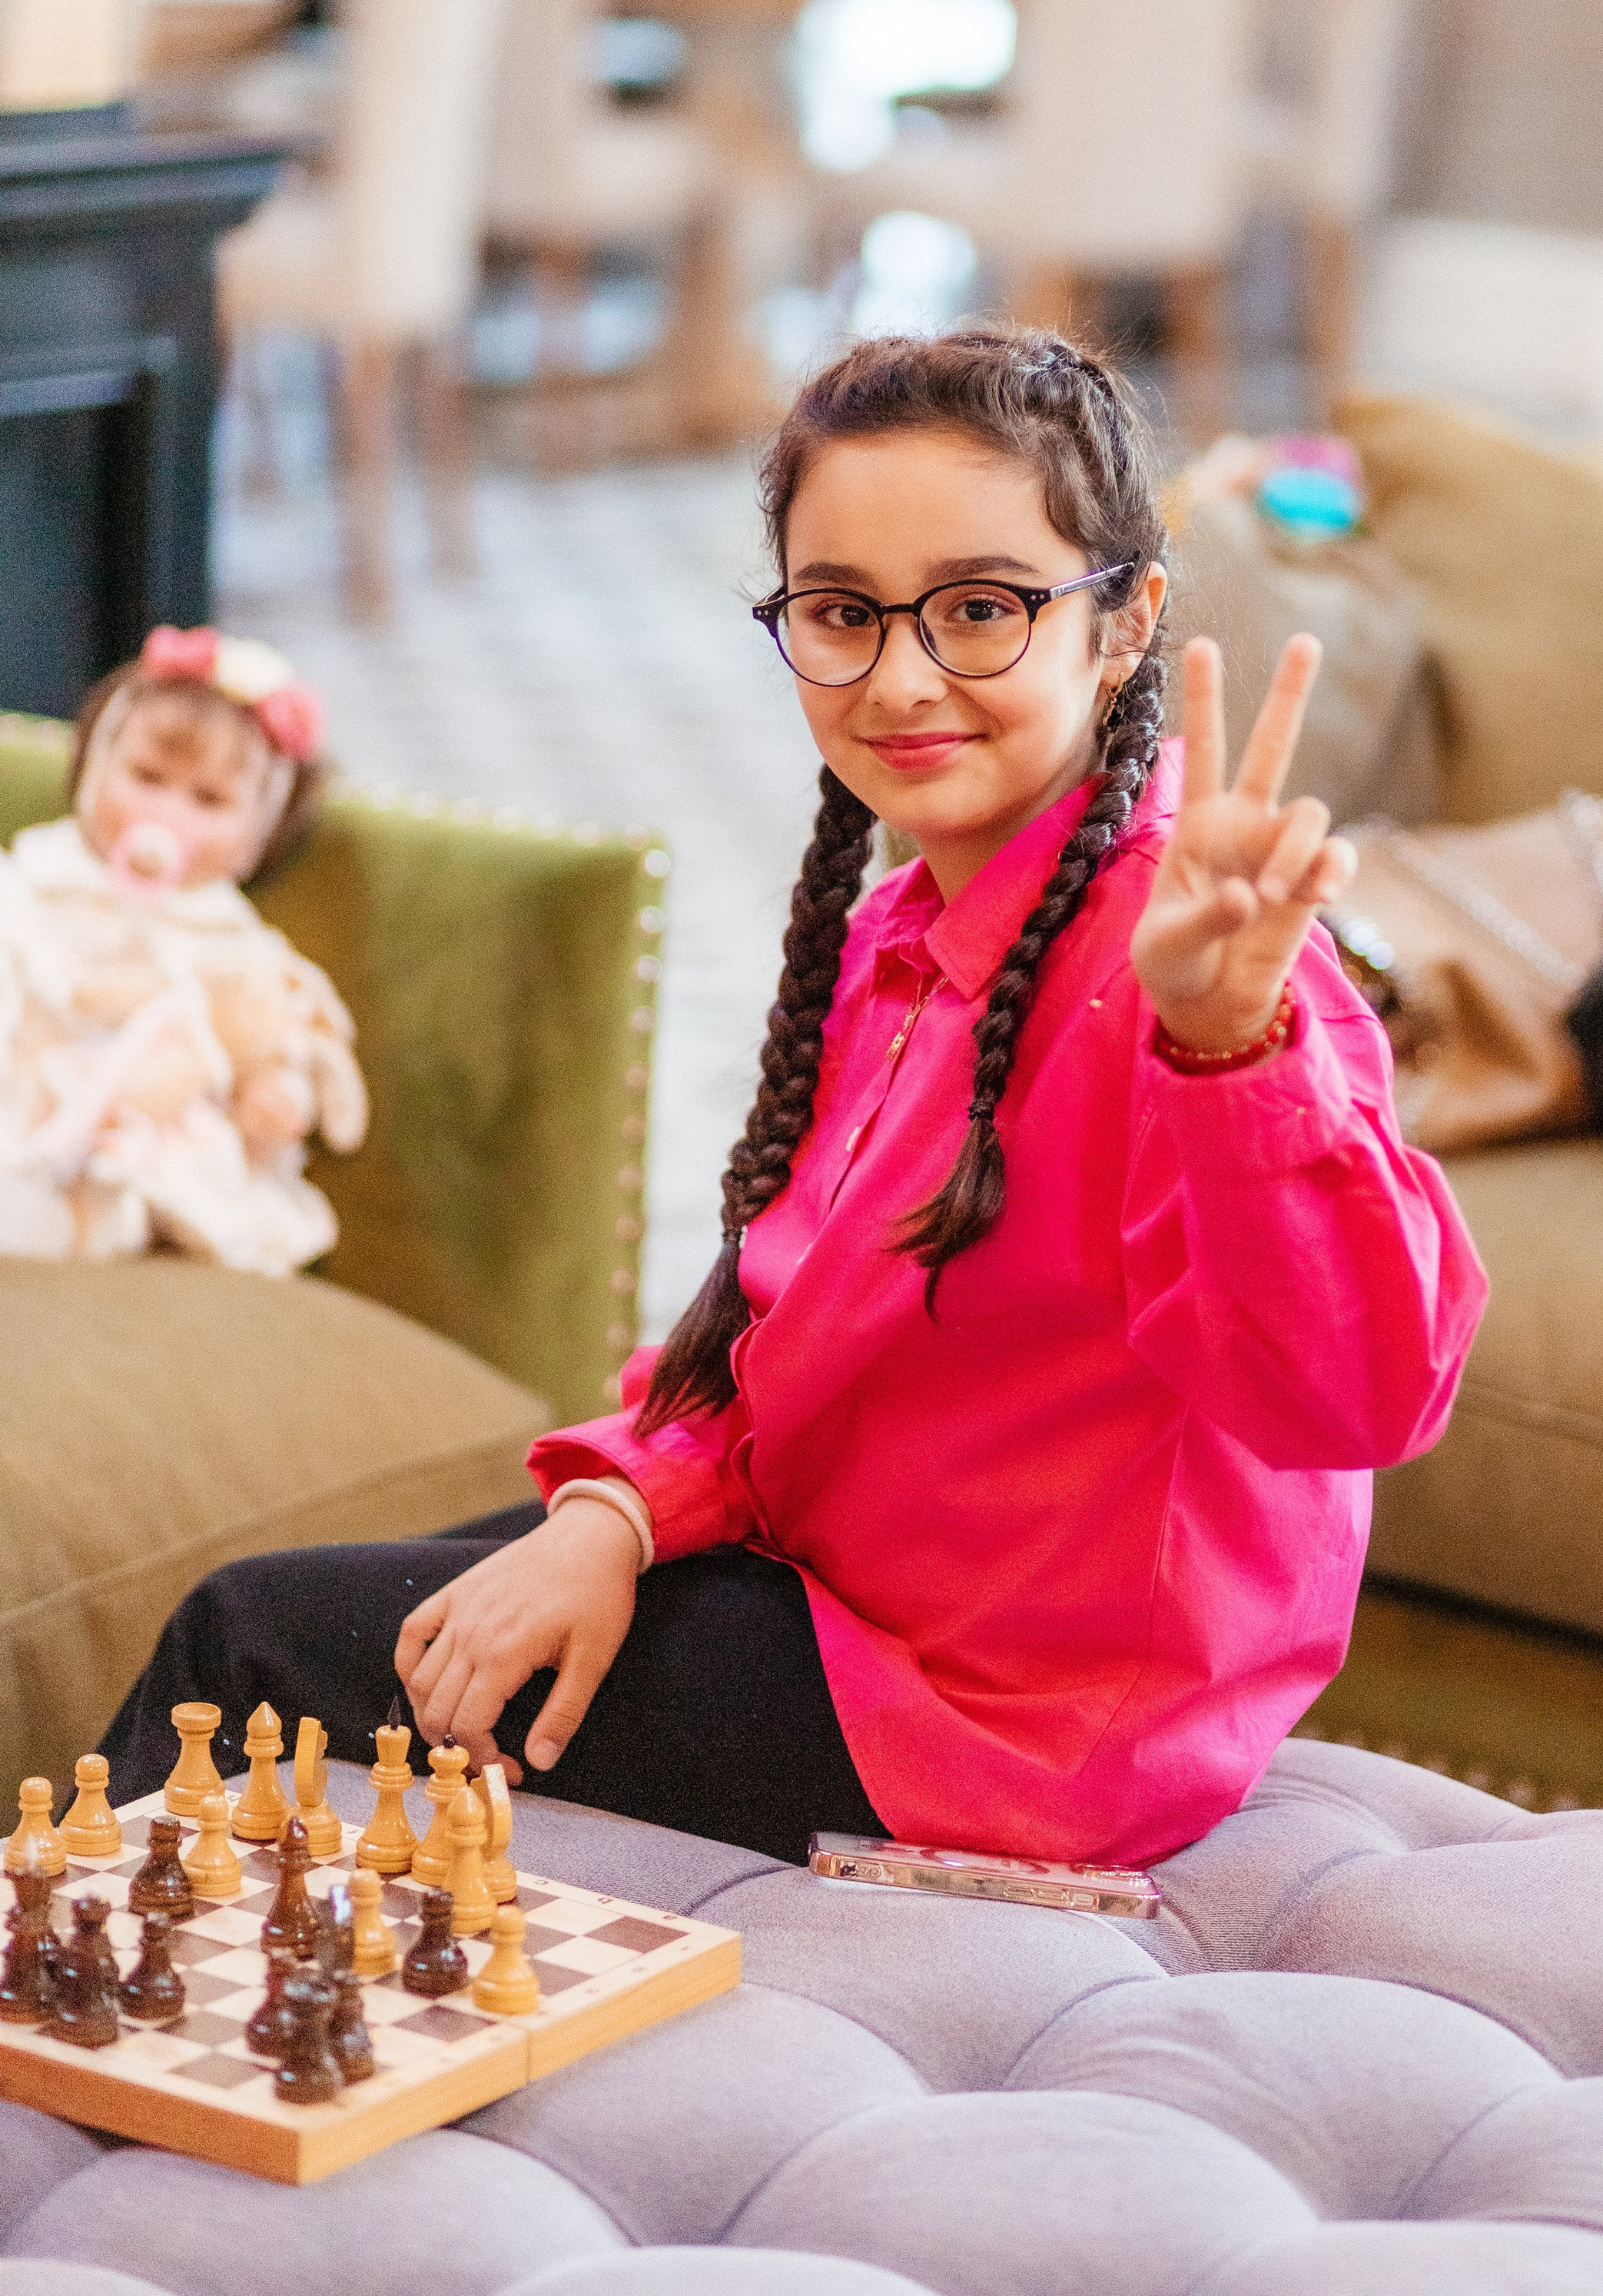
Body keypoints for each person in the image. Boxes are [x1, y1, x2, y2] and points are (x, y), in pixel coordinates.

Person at [101, 327, 1485, 1866]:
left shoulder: (1186, 963)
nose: (900, 678)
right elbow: (777, 1328)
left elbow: (1360, 1398)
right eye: (841, 613)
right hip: (849, 1602)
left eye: (979, 610)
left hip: (1008, 1721)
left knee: (244, 1654)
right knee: (396, 1630)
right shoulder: (902, 931)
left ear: (1120, 624)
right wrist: (615, 1514)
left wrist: (1234, 1050)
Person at [0, 626, 364, 1272]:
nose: (168, 813)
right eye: (145, 777)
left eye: (209, 799)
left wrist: (274, 1093)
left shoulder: (231, 941)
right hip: (27, 1096)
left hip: (146, 1127)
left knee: (173, 1188)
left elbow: (268, 1031)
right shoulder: (38, 877)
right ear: (89, 769)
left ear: (260, 835)